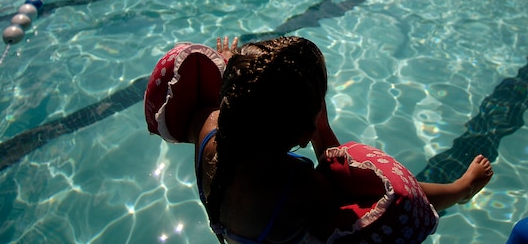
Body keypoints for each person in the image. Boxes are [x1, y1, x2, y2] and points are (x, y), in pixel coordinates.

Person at [145, 36, 493, 244]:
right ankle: (460, 190)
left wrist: (233, 67)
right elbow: (341, 172)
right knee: (390, 187)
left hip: (240, 234)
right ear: (302, 133)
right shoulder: (294, 187)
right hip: (279, 229)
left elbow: (227, 106)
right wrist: (322, 131)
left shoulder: (209, 130)